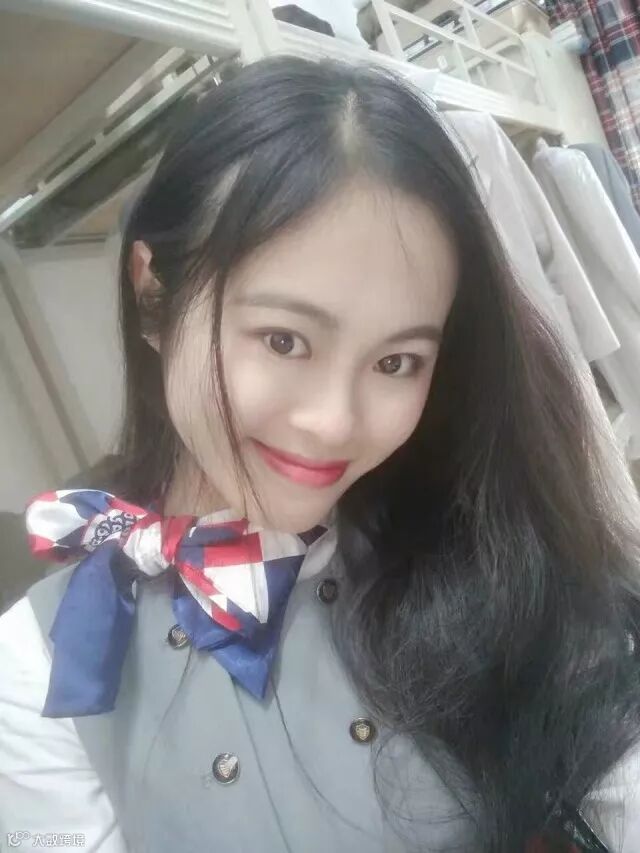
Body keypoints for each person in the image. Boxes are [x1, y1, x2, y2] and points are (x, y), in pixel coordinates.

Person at [1, 56, 640, 853]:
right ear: (155, 294)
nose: (335, 422)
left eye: (397, 361)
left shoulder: (482, 535)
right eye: (284, 339)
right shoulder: (30, 669)